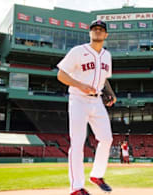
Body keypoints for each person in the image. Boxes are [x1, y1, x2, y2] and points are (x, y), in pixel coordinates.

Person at [57, 19, 116, 195]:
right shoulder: (78, 51)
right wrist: (80, 85)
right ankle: (76, 188)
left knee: (106, 139)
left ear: (106, 35)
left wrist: (110, 93)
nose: (97, 31)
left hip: (97, 100)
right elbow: (61, 75)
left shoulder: (107, 56)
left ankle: (97, 175)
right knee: (77, 142)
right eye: (94, 29)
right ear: (90, 33)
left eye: (101, 29)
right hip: (78, 99)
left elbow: (104, 78)